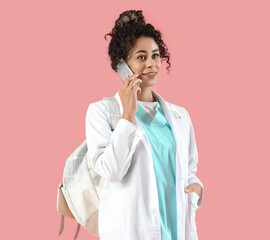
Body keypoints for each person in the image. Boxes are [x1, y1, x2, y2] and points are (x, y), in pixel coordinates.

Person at [85, 10, 204, 240]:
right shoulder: (101, 112)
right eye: (141, 57)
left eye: (156, 55)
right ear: (122, 65)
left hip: (177, 230)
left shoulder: (180, 116)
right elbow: (111, 170)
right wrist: (128, 115)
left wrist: (196, 188)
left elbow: (189, 169)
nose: (152, 64)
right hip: (133, 232)